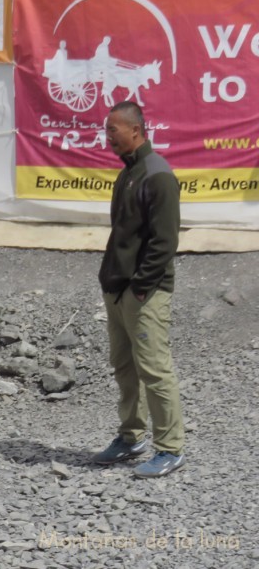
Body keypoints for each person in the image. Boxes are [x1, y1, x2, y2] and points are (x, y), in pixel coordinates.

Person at [92, 101, 185, 478]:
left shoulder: (157, 175)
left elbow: (165, 242)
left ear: (136, 129)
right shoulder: (130, 172)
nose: (108, 135)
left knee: (155, 370)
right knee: (124, 366)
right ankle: (131, 437)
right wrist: (114, 283)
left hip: (144, 292)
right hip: (119, 289)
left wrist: (142, 289)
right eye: (107, 129)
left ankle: (170, 448)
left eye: (113, 129)